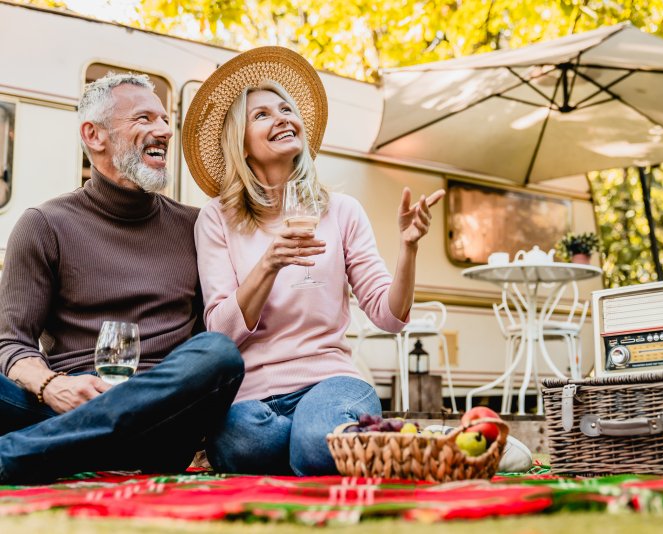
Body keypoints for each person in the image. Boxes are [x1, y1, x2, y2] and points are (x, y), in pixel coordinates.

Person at [185, 47, 444, 476]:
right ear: (242, 145)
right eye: (262, 115)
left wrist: (408, 248)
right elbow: (221, 333)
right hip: (252, 394)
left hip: (331, 380)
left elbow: (389, 316)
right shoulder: (217, 218)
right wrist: (269, 263)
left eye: (287, 109)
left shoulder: (340, 210)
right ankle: (351, 443)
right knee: (247, 441)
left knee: (309, 444)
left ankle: (323, 438)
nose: (283, 117)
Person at [0, 73, 244, 484]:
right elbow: (11, 342)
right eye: (144, 118)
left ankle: (19, 454)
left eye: (165, 120)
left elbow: (212, 335)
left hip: (161, 420)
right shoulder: (45, 224)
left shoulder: (195, 226)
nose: (164, 131)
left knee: (219, 354)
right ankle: (62, 447)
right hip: (65, 404)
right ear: (95, 135)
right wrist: (51, 386)